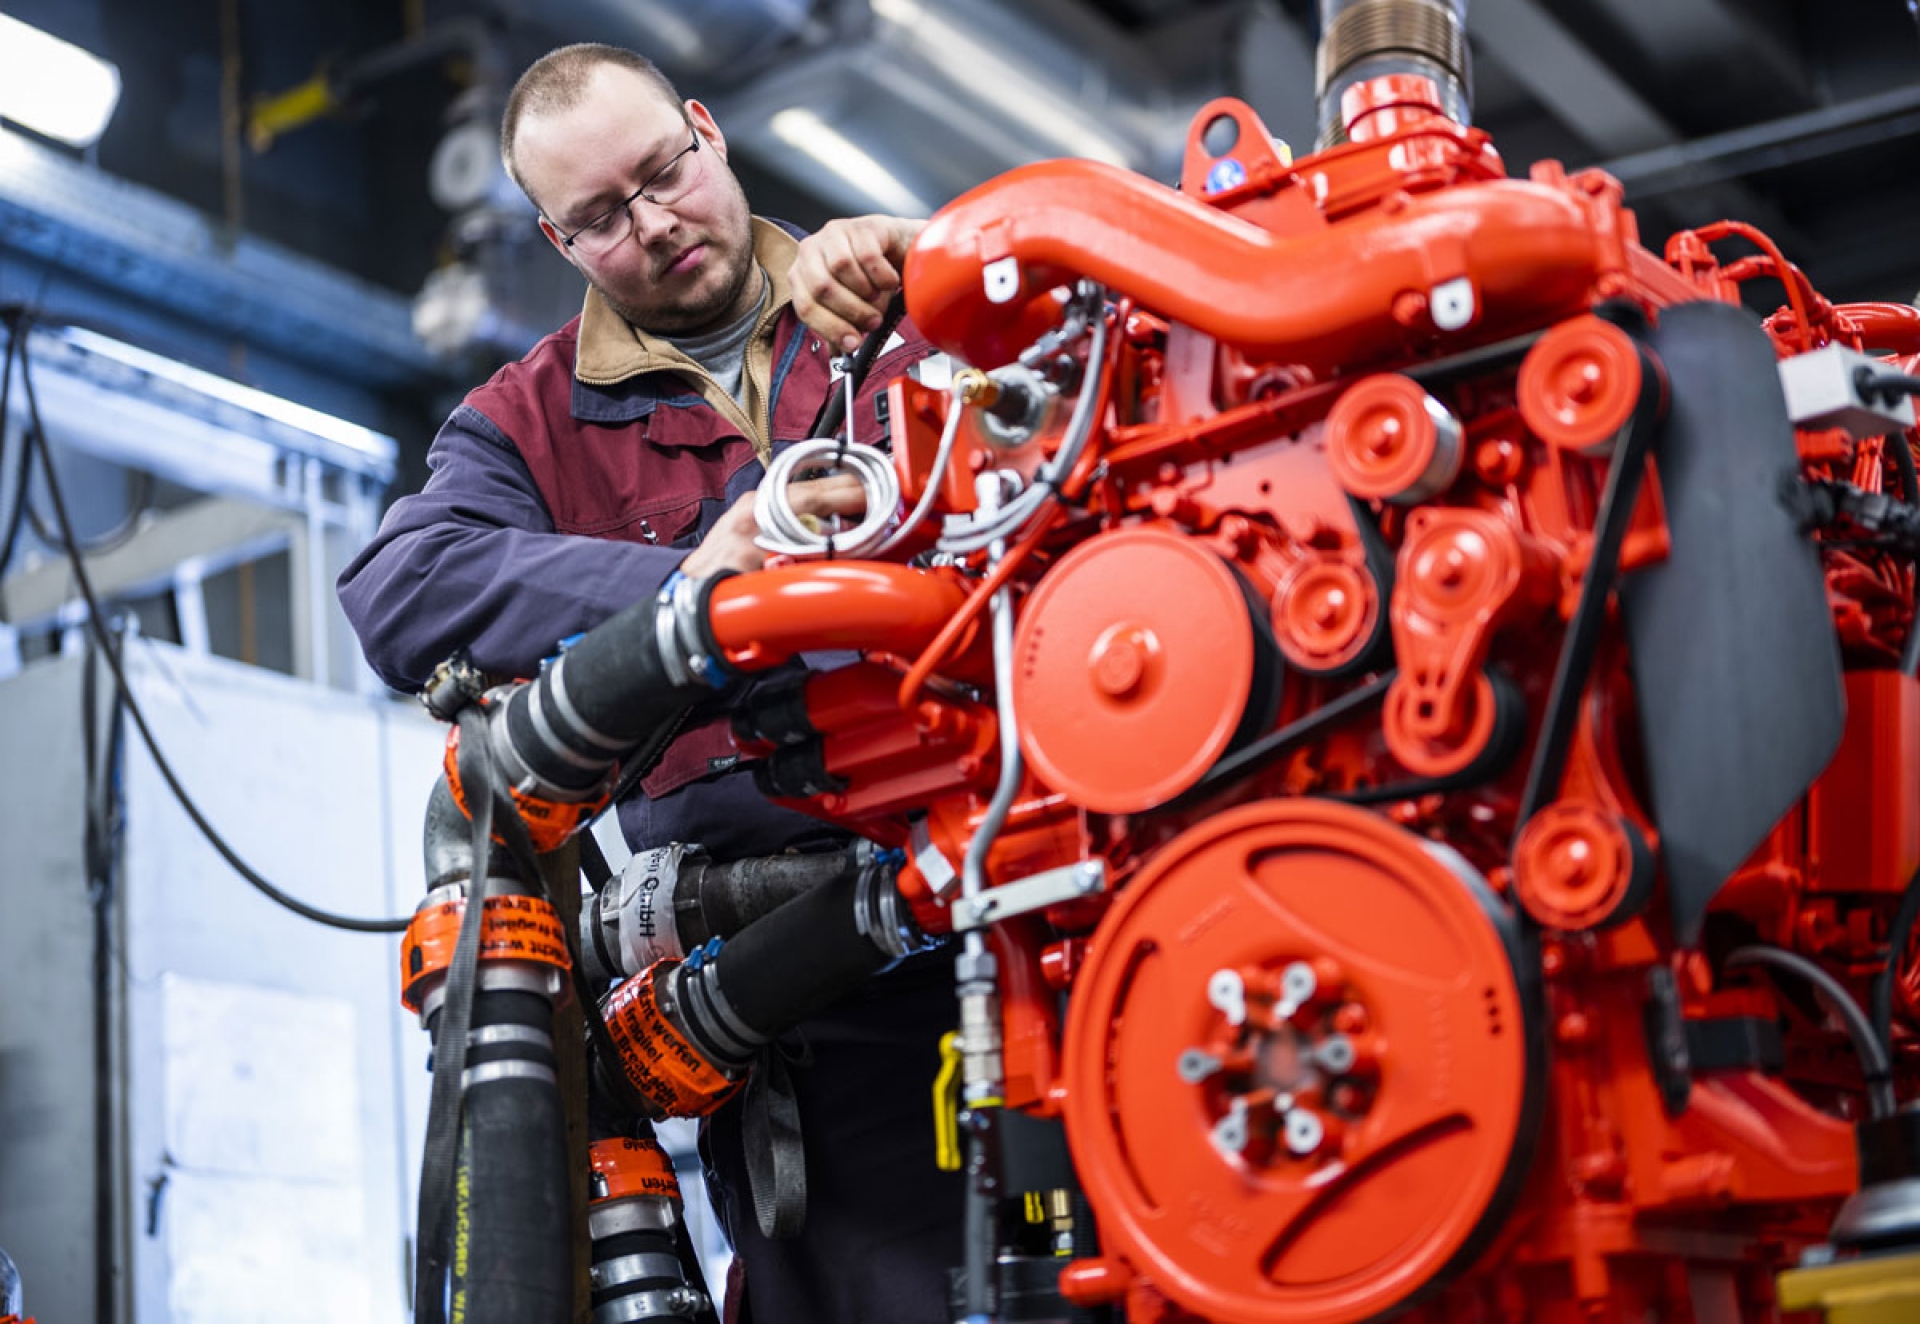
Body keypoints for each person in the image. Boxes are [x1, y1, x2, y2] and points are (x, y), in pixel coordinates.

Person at [337, 43, 962, 1324]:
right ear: (557, 242)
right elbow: (400, 588)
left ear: (706, 130)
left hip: (1027, 898)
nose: (655, 223)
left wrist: (951, 259)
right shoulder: (531, 424)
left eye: (664, 174)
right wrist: (692, 584)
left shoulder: (908, 297)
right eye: (603, 217)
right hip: (799, 1007)